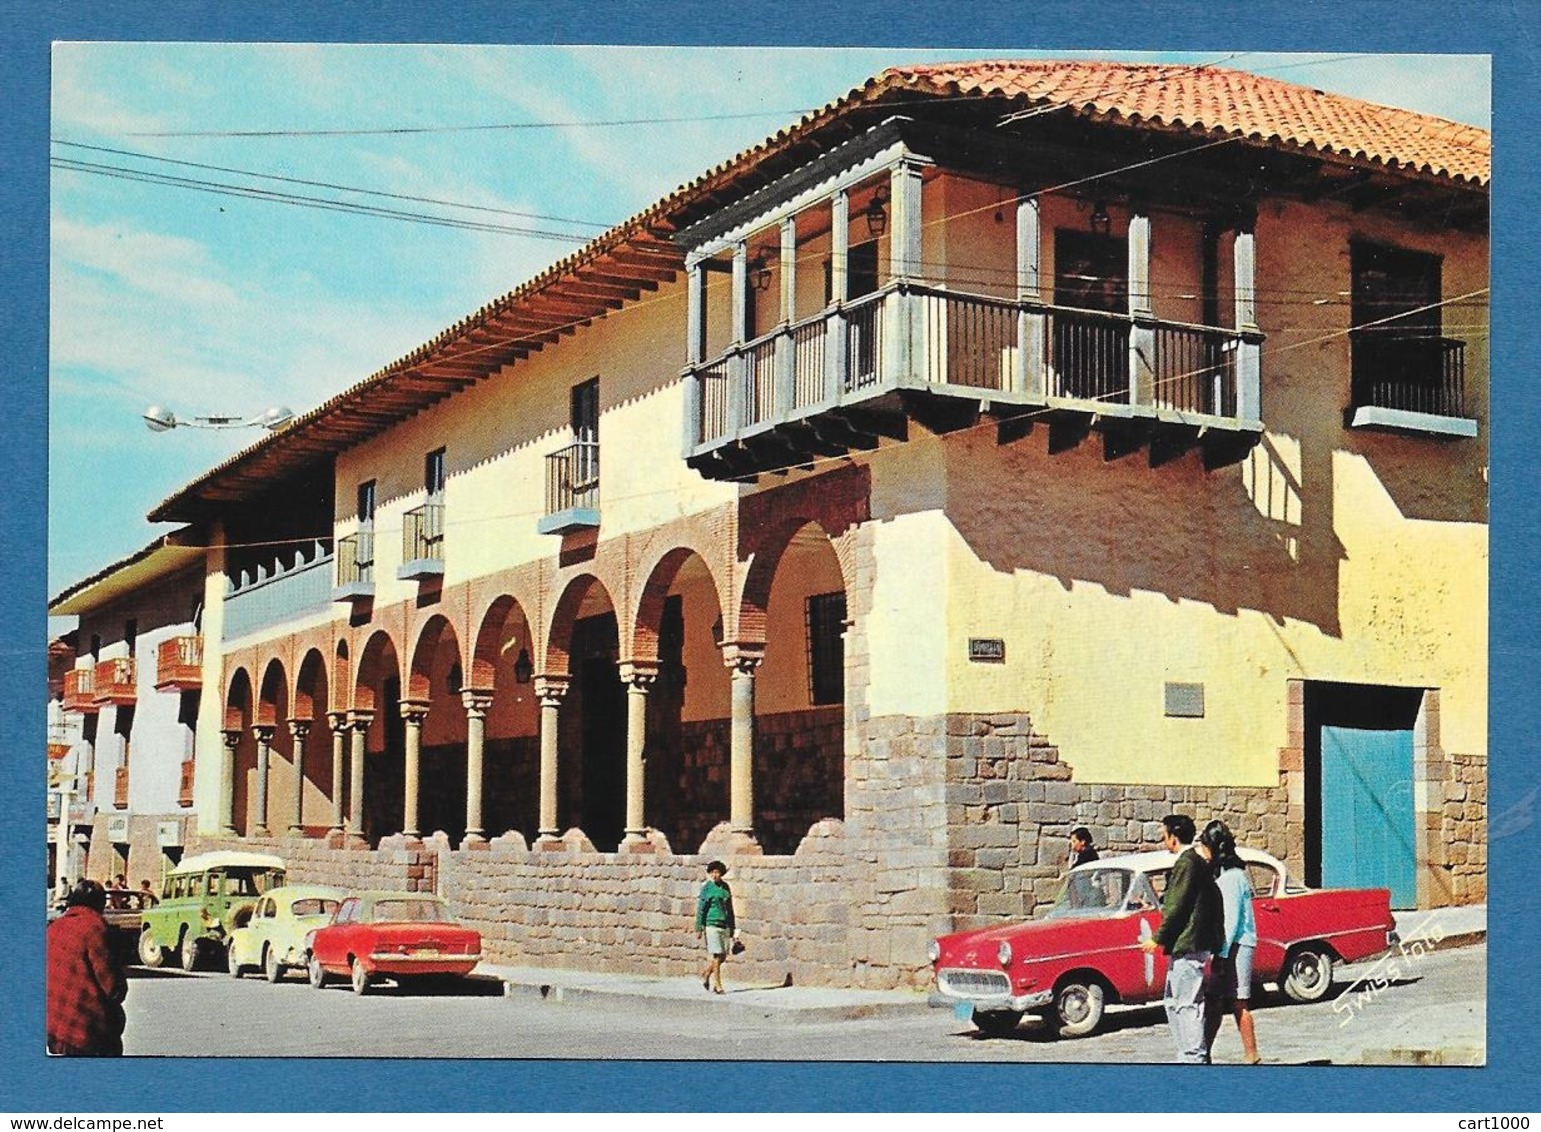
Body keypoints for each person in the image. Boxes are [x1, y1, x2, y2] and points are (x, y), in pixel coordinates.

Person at [1140, 813, 1222, 1064]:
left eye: (1165, 836)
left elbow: (1179, 906)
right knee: (1173, 1001)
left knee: (1187, 1004)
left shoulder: (1186, 863)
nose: (1164, 841)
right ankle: (1187, 1053)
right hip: (1189, 944)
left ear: (1173, 837)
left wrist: (1158, 938)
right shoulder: (1194, 863)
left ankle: (1193, 1056)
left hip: (1188, 944)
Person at [1201, 820, 1261, 1064]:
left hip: (1237, 945)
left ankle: (1251, 1053)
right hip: (1228, 945)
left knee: (1239, 1001)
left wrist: (1222, 955)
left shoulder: (1232, 878)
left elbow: (1231, 920)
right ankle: (1203, 1052)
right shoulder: (1227, 876)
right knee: (1213, 1000)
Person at [46, 879, 127, 1056]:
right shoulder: (95, 928)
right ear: (100, 904)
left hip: (54, 1027)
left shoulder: (54, 928)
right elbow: (113, 987)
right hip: (85, 1031)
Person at [694, 860, 737, 995]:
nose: (715, 875)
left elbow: (729, 908)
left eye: (717, 872)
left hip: (724, 924)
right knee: (717, 955)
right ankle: (718, 985)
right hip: (711, 924)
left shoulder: (725, 888)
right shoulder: (706, 888)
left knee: (723, 956)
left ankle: (707, 973)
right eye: (712, 872)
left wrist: (733, 927)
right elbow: (701, 908)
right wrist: (699, 927)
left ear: (721, 873)